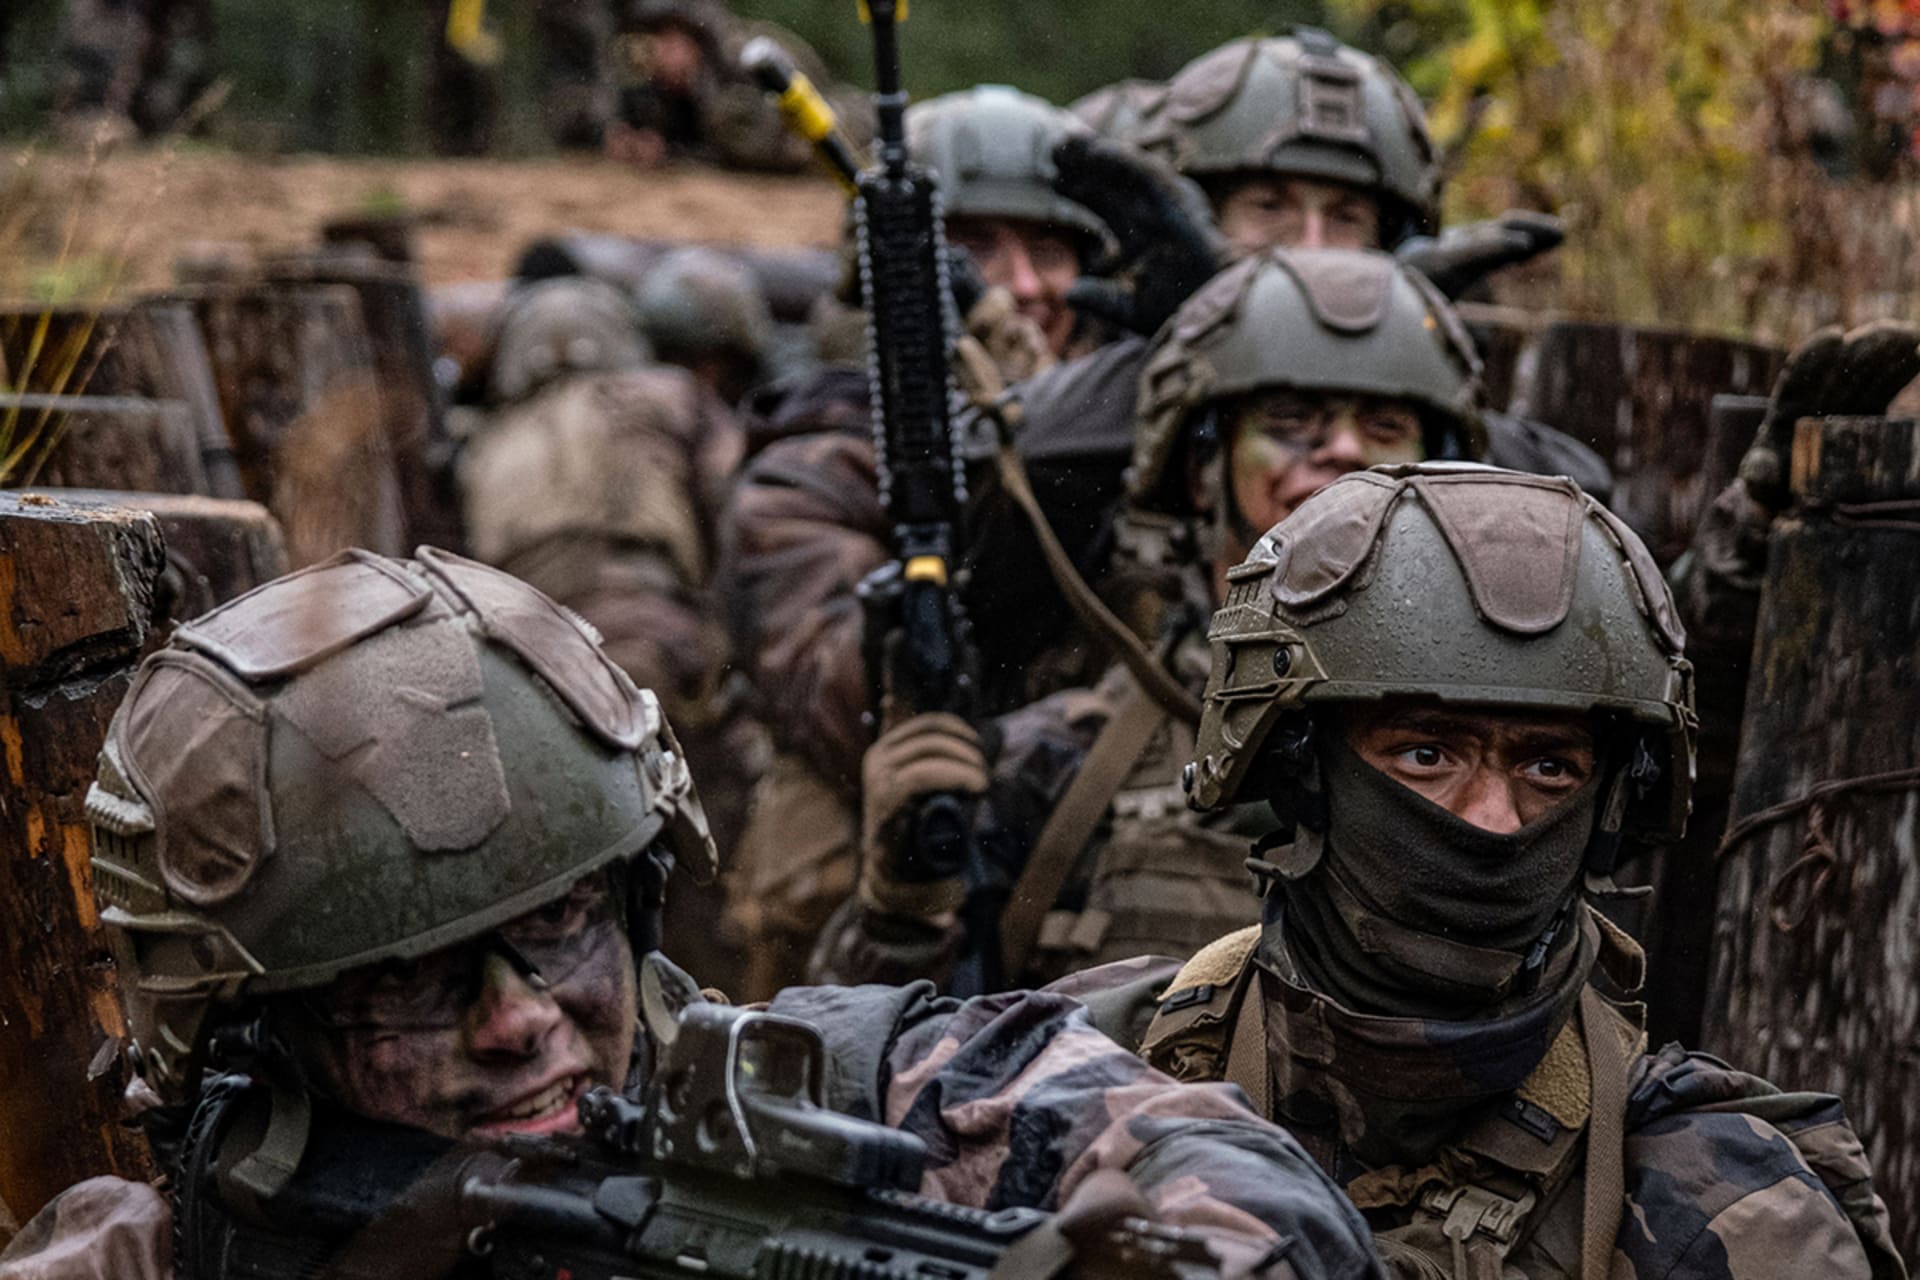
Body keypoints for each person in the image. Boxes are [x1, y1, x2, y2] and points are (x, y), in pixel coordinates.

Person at [0, 550, 1383, 1280]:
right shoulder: (144, 1258)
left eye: (561, 926)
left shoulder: (838, 1099)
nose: (523, 1020)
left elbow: (1221, 1166)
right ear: (256, 1033)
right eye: (410, 981)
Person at [1070, 464, 1903, 1277]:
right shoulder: (1084, 1071)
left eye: (1550, 770)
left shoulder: (1723, 1200)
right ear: (1300, 772)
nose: (1494, 820)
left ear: (1608, 806)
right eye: (1427, 754)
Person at [808, 247, 1486, 994]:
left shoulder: (1506, 766)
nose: (1346, 450)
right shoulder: (1058, 765)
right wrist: (901, 914)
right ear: (1203, 469)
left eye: (1386, 426)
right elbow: (884, 1048)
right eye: (1292, 421)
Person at [460, 275, 759, 990]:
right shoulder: (670, 396)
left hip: (526, 677)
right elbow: (745, 513)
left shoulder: (482, 446)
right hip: (664, 651)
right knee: (709, 861)